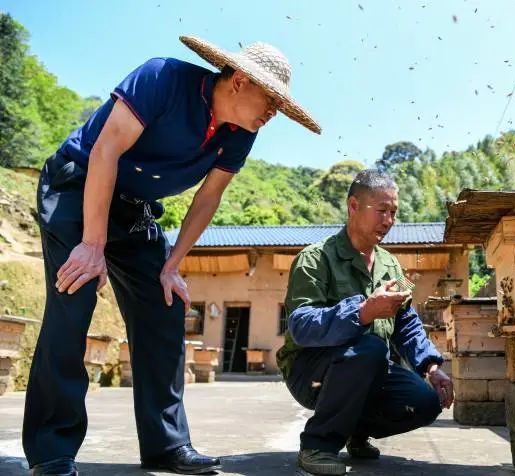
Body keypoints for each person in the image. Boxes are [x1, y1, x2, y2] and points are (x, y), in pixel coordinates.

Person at [23, 36, 320, 476]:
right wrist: (92, 244)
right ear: (239, 81)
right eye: (271, 97)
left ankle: (166, 444)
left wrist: (171, 265)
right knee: (75, 294)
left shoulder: (241, 134)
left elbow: (207, 199)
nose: (274, 111)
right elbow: (105, 150)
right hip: (78, 186)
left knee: (165, 307)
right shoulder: (162, 78)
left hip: (135, 209)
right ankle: (51, 450)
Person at [276, 170, 454, 476]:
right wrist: (362, 312)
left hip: (368, 370)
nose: (388, 221)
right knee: (369, 347)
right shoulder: (314, 258)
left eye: (394, 213)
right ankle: (317, 445)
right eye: (381, 211)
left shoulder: (391, 264)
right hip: (311, 371)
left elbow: (406, 322)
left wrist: (431, 366)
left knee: (425, 401)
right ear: (353, 206)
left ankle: (354, 430)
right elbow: (301, 325)